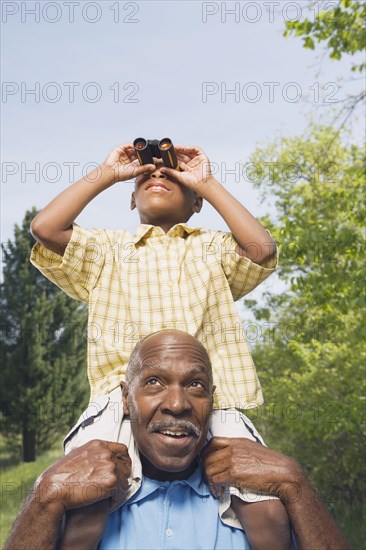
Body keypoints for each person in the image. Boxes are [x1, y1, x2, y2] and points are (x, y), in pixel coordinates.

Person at [29, 142, 283, 544]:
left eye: (170, 173)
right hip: (121, 398)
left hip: (213, 398)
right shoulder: (106, 251)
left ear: (197, 202)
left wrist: (207, 181)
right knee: (85, 499)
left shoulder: (212, 248)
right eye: (147, 174)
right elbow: (45, 228)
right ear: (131, 198)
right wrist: (108, 172)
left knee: (266, 502)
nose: (159, 175)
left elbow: (261, 249)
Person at [5, 331, 350, 550]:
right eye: (154, 382)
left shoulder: (253, 501)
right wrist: (44, 497)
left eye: (195, 385)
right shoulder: (76, 505)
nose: (177, 404)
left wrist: (296, 484)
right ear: (125, 399)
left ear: (213, 400)